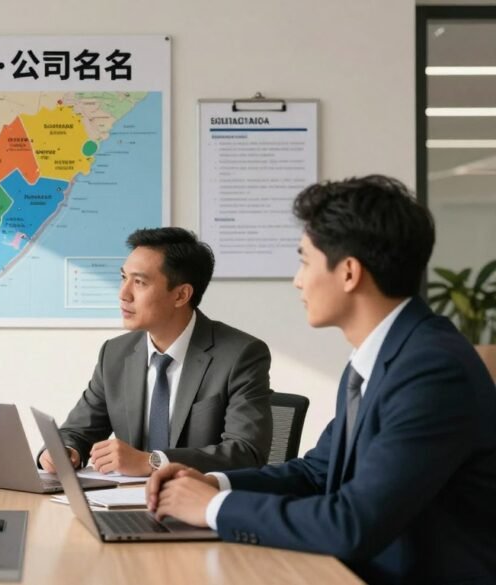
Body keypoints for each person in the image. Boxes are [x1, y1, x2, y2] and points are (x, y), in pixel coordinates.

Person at [146, 176, 496, 584]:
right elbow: (316, 473)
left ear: (349, 273)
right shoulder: (380, 358)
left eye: (305, 261)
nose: (298, 279)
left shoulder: (432, 371)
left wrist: (212, 508)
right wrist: (212, 482)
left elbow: (351, 524)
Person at [39, 227, 272, 476]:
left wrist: (153, 461)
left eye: (139, 282)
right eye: (123, 277)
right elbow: (77, 431)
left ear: (181, 294)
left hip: (198, 505)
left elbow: (246, 452)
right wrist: (64, 450)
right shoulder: (115, 353)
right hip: (123, 504)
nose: (123, 294)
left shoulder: (241, 355)